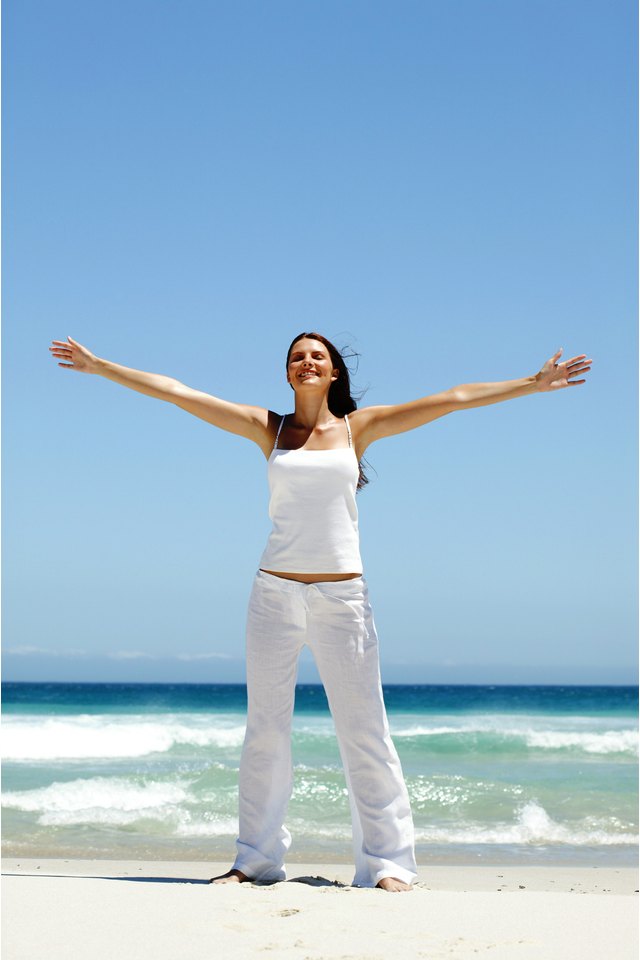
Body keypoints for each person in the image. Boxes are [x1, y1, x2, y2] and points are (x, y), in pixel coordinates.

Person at [49, 331, 592, 891]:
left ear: (334, 373)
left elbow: (453, 397)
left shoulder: (361, 428)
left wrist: (534, 383)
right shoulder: (271, 428)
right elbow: (178, 393)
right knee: (265, 732)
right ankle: (255, 860)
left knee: (366, 733)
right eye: (296, 357)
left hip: (343, 601)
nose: (306, 362)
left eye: (317, 356)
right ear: (288, 374)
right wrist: (99, 366)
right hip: (274, 596)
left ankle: (386, 865)